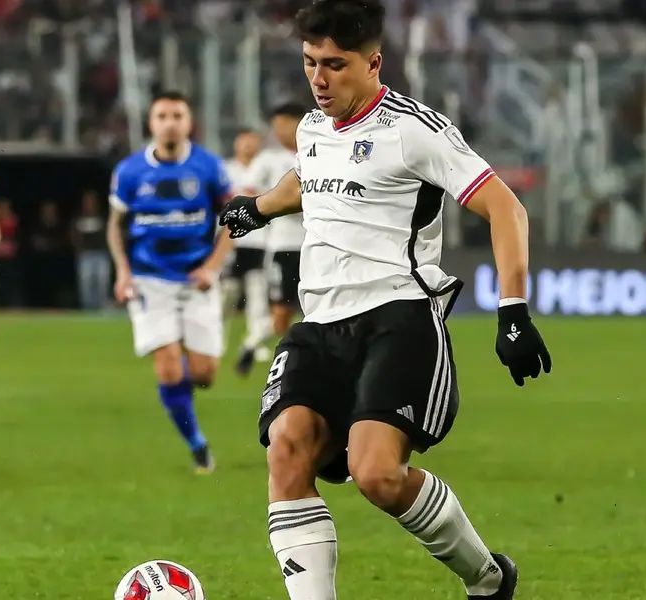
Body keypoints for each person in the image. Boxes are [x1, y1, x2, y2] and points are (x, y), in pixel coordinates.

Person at [218, 1, 551, 599]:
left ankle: (487, 578)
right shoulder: (316, 127)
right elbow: (310, 177)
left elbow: (505, 206)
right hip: (318, 323)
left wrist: (513, 311)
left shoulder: (415, 130)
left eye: (335, 66)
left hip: (398, 317)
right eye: (309, 63)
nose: (319, 80)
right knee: (287, 448)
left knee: (376, 474)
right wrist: (259, 207)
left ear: (374, 62)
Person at [107, 91, 233, 474]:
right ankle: (197, 444)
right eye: (162, 115)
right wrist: (123, 271)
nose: (170, 122)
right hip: (150, 281)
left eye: (177, 114)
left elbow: (231, 220)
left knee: (204, 375)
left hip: (197, 281)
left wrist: (212, 266)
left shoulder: (209, 166)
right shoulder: (129, 171)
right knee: (168, 370)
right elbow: (116, 226)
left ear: (189, 121)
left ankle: (180, 375)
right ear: (151, 123)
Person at [233, 102, 306, 378]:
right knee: (281, 315)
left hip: (317, 245)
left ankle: (306, 365)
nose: (277, 131)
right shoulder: (269, 160)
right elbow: (248, 193)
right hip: (283, 247)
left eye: (281, 125)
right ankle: (252, 346)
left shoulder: (321, 152)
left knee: (316, 311)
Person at [223, 128, 273, 368]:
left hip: (259, 241)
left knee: (257, 293)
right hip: (231, 241)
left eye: (252, 142)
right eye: (243, 141)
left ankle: (254, 342)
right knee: (228, 292)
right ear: (236, 144)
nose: (247, 146)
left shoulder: (267, 169)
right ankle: (216, 339)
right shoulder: (226, 170)